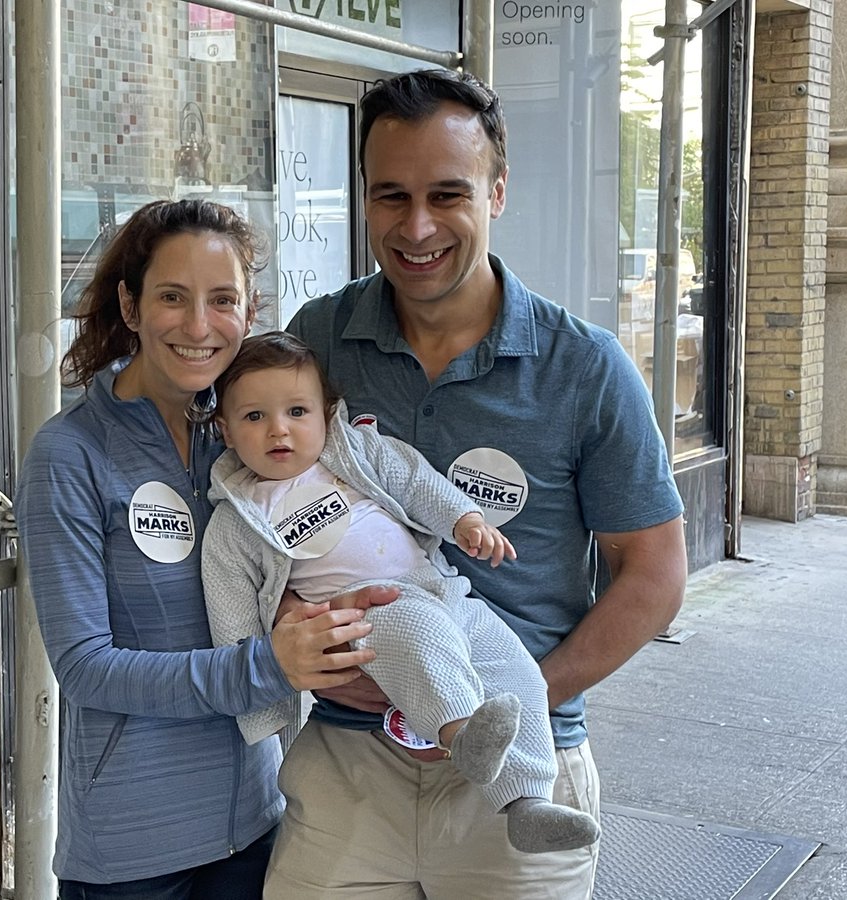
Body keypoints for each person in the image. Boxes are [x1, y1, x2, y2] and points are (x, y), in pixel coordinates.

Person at [268, 69, 688, 898]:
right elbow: (265, 503)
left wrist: (504, 705)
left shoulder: (585, 367)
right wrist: (295, 629)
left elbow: (655, 576)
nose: (416, 226)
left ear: (498, 191)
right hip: (349, 767)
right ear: (363, 197)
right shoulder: (319, 339)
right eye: (391, 196)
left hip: (523, 776)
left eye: (446, 195)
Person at [16, 199, 388, 899]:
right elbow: (85, 668)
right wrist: (265, 666)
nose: (197, 326)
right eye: (172, 298)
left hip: (257, 823)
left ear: (249, 314)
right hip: (132, 852)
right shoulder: (69, 455)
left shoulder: (249, 440)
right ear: (129, 306)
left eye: (222, 300)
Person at [201, 331, 601, 856]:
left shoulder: (360, 456)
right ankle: (461, 735)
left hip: (443, 590)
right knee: (419, 633)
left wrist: (464, 519)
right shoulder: (237, 520)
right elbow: (230, 607)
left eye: (297, 411)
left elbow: (415, 480)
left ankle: (526, 802)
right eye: (254, 417)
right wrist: (264, 697)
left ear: (328, 415)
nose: (279, 429)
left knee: (514, 667)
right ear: (224, 430)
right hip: (369, 612)